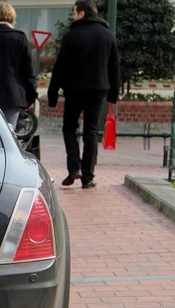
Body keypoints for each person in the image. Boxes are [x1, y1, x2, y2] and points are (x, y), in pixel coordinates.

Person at [48, 0, 119, 189]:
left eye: (74, 12)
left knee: (69, 128)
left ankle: (74, 167)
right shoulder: (108, 36)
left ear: (81, 13)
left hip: (74, 90)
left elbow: (60, 68)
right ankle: (88, 177)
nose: (72, 16)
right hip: (98, 90)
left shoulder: (71, 36)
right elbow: (114, 69)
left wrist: (52, 94)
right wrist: (113, 96)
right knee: (91, 132)